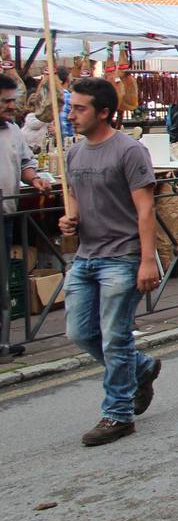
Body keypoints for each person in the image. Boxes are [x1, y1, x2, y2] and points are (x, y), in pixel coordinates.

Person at [58, 77, 162, 446]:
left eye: (79, 108)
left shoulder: (129, 151)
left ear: (104, 112)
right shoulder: (72, 153)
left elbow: (145, 208)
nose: (71, 115)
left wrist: (148, 260)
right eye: (71, 107)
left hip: (122, 256)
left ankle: (118, 414)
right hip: (85, 256)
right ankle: (143, 367)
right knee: (80, 333)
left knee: (114, 338)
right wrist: (68, 220)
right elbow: (74, 201)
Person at [1, 75, 52, 310]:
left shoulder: (13, 130)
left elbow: (25, 163)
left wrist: (35, 179)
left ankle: (4, 341)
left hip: (6, 214)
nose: (11, 106)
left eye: (12, 101)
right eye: (4, 101)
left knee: (2, 280)